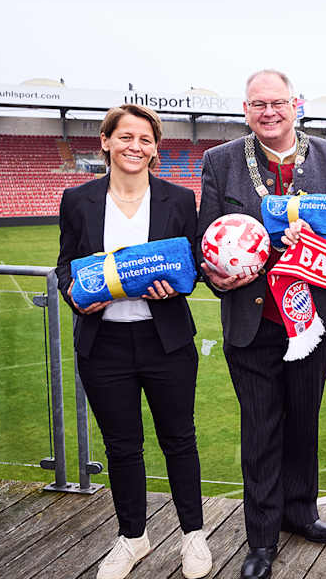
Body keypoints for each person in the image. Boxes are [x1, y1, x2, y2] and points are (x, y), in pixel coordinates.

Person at [196, 70, 326, 579]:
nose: (268, 112)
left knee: (304, 419)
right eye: (257, 104)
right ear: (245, 110)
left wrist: (323, 240)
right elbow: (207, 238)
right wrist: (217, 276)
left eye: (278, 103)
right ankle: (262, 539)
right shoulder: (219, 162)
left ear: (297, 105)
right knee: (261, 428)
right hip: (252, 321)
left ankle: (301, 511)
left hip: (317, 317)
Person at [56, 104, 212, 579]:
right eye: (125, 137)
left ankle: (193, 536)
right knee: (122, 446)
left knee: (179, 440)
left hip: (165, 341)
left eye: (145, 140)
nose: (135, 147)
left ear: (155, 148)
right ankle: (133, 538)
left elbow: (192, 269)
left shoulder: (179, 199)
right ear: (105, 141)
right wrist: (74, 297)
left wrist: (177, 285)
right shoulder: (78, 199)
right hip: (103, 346)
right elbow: (66, 266)